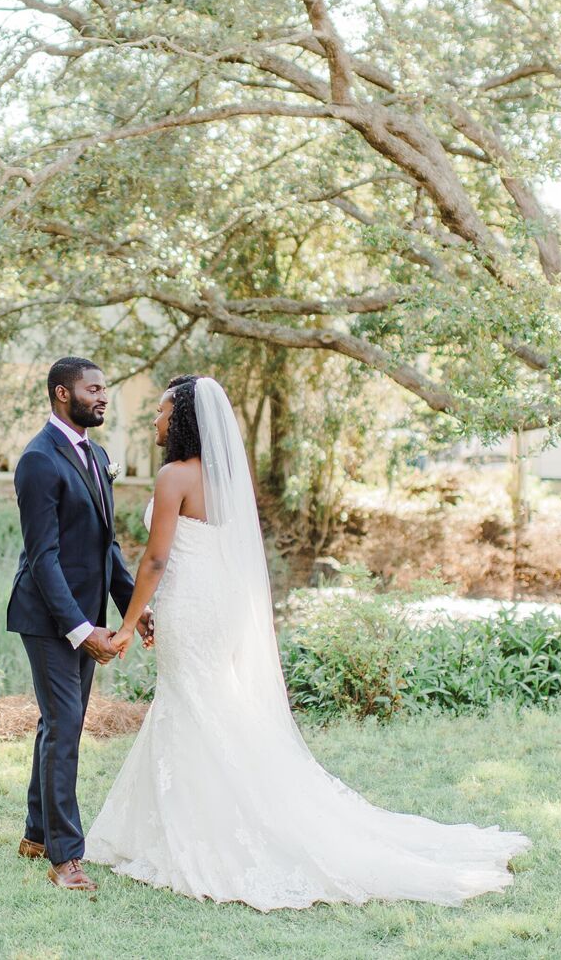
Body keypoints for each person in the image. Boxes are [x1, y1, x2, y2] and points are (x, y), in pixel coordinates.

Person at [85, 374, 530, 910]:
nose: (153, 420)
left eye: (160, 412)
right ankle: (192, 819)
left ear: (180, 421)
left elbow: (156, 560)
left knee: (193, 704)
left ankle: (216, 829)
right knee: (205, 703)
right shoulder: (227, 479)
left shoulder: (174, 476)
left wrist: (129, 624)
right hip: (218, 608)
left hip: (189, 608)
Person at [7, 356, 153, 891]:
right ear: (62, 394)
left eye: (104, 388)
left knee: (56, 724)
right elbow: (42, 557)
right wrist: (80, 629)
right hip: (49, 619)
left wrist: (132, 611)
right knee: (65, 728)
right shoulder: (37, 461)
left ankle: (37, 834)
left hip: (86, 616)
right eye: (93, 388)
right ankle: (65, 859)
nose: (103, 397)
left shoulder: (97, 455)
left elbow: (105, 546)